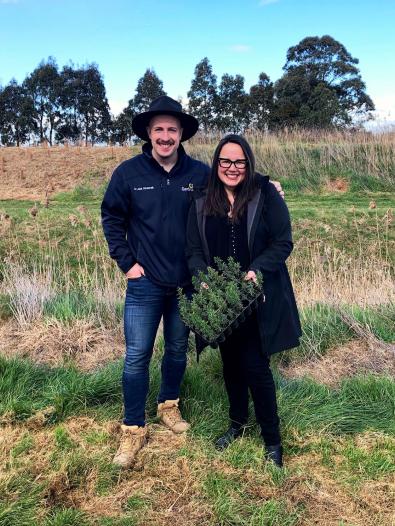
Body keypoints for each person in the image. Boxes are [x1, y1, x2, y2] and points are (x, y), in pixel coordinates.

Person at [101, 96, 284, 469]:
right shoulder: (128, 174)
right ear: (148, 134)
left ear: (181, 133)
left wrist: (269, 186)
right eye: (159, 130)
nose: (166, 136)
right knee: (137, 355)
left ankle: (169, 406)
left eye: (172, 129)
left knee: (176, 350)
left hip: (188, 286)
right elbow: (111, 218)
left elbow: (238, 181)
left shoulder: (199, 174)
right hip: (145, 283)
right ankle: (133, 428)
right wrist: (127, 264)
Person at [185, 134, 301, 467]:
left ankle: (273, 441)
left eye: (239, 162)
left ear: (248, 164)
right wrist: (203, 278)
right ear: (216, 163)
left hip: (255, 298)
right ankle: (237, 424)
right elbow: (193, 250)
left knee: (255, 367)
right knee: (231, 365)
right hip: (222, 301)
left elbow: (282, 242)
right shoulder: (203, 200)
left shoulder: (265, 194)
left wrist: (256, 271)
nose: (232, 168)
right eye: (225, 161)